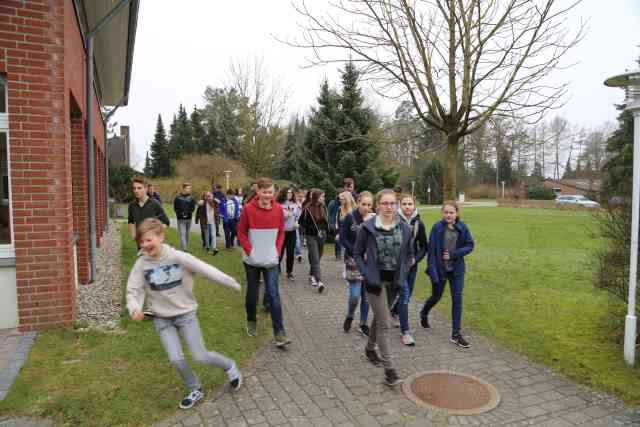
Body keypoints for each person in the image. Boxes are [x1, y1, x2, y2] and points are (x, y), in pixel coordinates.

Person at [126, 218, 242, 410]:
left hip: (185, 314)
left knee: (200, 355)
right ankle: (195, 388)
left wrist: (230, 282)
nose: (145, 245)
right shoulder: (141, 264)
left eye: (149, 240)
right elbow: (134, 289)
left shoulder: (178, 257)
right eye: (141, 241)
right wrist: (134, 308)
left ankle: (229, 366)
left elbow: (206, 269)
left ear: (160, 236)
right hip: (162, 318)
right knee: (176, 359)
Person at [354, 189, 414, 387]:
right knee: (386, 324)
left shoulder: (404, 227)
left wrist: (404, 271)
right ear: (378, 205)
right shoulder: (367, 227)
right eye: (385, 203)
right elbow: (357, 253)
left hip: (394, 283)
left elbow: (408, 254)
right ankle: (390, 371)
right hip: (375, 283)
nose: (389, 207)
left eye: (392, 204)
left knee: (381, 319)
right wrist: (366, 273)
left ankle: (370, 348)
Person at [237, 177, 291, 347]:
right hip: (251, 261)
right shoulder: (248, 209)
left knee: (273, 295)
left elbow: (281, 232)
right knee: (252, 294)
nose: (268, 195)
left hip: (271, 260)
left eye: (270, 192)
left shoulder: (278, 210)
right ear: (258, 191)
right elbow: (241, 233)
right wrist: (249, 251)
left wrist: (277, 249)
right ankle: (251, 320)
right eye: (265, 192)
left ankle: (279, 333)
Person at [420, 201, 475, 348]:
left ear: (456, 213)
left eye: (451, 213)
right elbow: (431, 251)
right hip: (440, 269)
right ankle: (424, 312)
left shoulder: (462, 228)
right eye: (446, 212)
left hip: (456, 271)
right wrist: (432, 271)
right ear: (442, 213)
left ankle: (456, 334)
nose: (448, 215)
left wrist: (453, 254)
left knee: (457, 300)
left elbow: (470, 245)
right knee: (436, 296)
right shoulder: (437, 228)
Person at [391, 194, 428, 346]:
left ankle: (393, 312)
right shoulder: (393, 221)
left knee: (408, 295)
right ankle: (405, 332)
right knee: (405, 296)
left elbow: (424, 246)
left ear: (414, 206)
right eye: (404, 204)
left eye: (410, 204)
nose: (407, 206)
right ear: (400, 205)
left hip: (412, 266)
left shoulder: (419, 223)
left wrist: (415, 259)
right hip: (397, 266)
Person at [339, 191, 372, 336]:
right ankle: (350, 315)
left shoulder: (374, 219)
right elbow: (343, 238)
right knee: (355, 295)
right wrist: (356, 251)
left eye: (369, 204)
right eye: (363, 204)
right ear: (358, 203)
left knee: (367, 296)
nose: (366, 207)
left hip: (370, 262)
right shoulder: (349, 218)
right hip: (353, 260)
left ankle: (363, 323)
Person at [299, 189, 329, 293]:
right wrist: (311, 228)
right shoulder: (307, 209)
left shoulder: (324, 208)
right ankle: (319, 281)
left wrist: (328, 229)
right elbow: (301, 222)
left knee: (318, 257)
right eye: (322, 197)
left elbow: (326, 223)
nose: (323, 198)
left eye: (324, 196)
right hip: (311, 236)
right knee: (315, 258)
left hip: (322, 236)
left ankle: (312, 274)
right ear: (316, 197)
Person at [128, 176, 170, 243]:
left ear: (146, 189)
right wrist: (133, 234)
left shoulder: (155, 204)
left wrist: (155, 234)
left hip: (154, 244)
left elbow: (166, 222)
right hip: (140, 243)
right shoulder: (132, 206)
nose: (136, 191)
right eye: (134, 188)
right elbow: (131, 221)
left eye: (139, 188)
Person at [277, 187, 300, 281]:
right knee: (280, 252)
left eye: (291, 193)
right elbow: (281, 217)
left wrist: (297, 221)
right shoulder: (279, 205)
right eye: (288, 192)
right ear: (283, 193)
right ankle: (276, 267)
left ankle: (289, 272)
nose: (290, 194)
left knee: (290, 253)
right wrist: (288, 213)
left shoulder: (295, 204)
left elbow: (297, 216)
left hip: (292, 232)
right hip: (282, 232)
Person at [173, 183, 197, 252]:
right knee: (182, 233)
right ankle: (184, 249)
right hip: (180, 219)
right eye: (188, 188)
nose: (189, 190)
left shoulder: (192, 198)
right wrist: (181, 214)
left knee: (187, 234)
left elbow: (193, 207)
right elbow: (175, 208)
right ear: (183, 189)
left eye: (190, 188)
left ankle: (185, 247)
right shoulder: (177, 197)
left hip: (189, 218)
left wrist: (188, 213)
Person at [326, 187, 344, 261]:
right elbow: (329, 214)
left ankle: (345, 254)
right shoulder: (332, 203)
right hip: (335, 224)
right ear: (336, 195)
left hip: (343, 224)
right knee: (337, 239)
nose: (340, 197)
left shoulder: (344, 202)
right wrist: (331, 224)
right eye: (339, 195)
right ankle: (338, 255)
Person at [294, 189, 305, 261]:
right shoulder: (294, 204)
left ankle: (297, 252)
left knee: (302, 239)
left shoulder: (306, 203)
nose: (300, 198)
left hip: (304, 223)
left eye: (302, 196)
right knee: (297, 239)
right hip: (296, 223)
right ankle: (298, 254)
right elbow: (293, 213)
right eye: (299, 196)